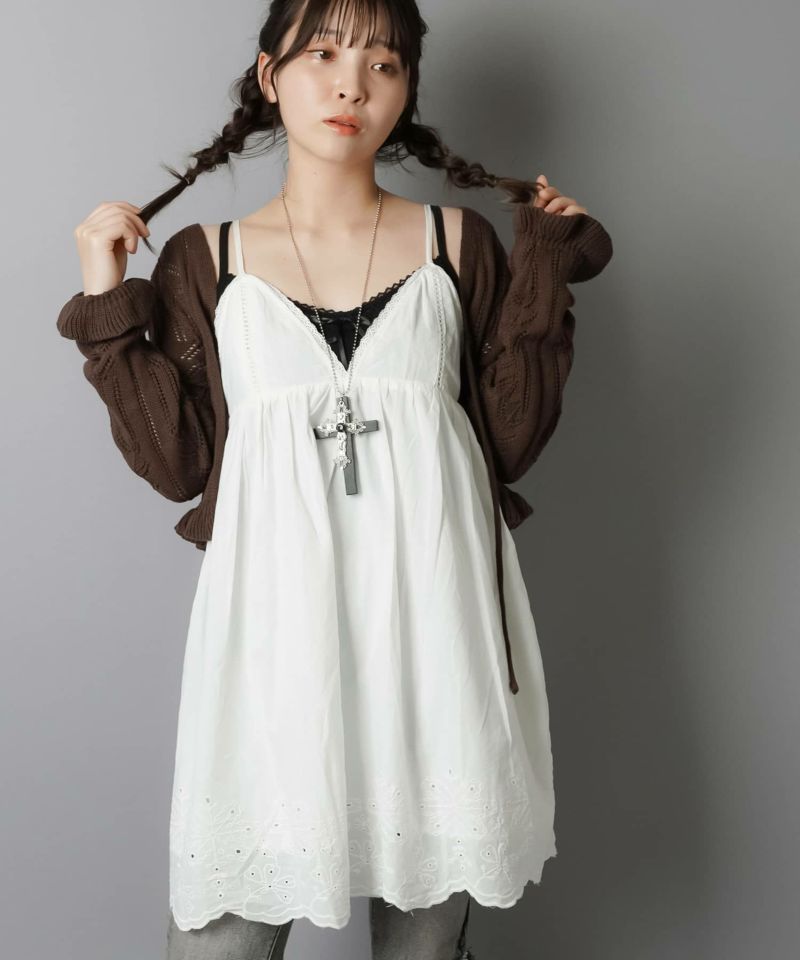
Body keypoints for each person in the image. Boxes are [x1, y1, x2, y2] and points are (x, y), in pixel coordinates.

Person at [56, 1, 613, 957]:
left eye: (383, 63)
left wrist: (546, 266)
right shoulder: (205, 260)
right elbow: (177, 462)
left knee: (423, 948)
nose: (352, 83)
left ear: (405, 90)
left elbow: (509, 441)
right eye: (322, 53)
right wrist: (106, 300)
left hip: (437, 645)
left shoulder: (457, 245)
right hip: (272, 651)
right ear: (269, 75)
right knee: (222, 938)